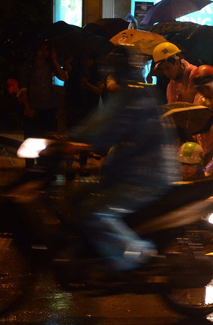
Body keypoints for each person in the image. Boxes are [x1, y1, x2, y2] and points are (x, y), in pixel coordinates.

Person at [67, 47, 181, 273]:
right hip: (128, 171)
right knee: (79, 193)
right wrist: (70, 138)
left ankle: (137, 253)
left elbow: (109, 128)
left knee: (95, 212)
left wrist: (78, 143)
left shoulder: (134, 97)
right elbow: (97, 122)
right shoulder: (129, 94)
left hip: (145, 176)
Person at [19, 40, 68, 166]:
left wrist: (55, 60)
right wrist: (27, 107)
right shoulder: (29, 66)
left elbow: (63, 77)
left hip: (48, 106)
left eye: (46, 50)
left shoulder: (50, 65)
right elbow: (23, 88)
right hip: (34, 106)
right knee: (31, 136)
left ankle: (43, 165)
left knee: (45, 137)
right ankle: (30, 166)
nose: (43, 53)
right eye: (41, 50)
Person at [190, 65, 213, 170]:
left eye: (206, 87)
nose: (203, 91)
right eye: (199, 89)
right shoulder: (199, 99)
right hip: (206, 147)